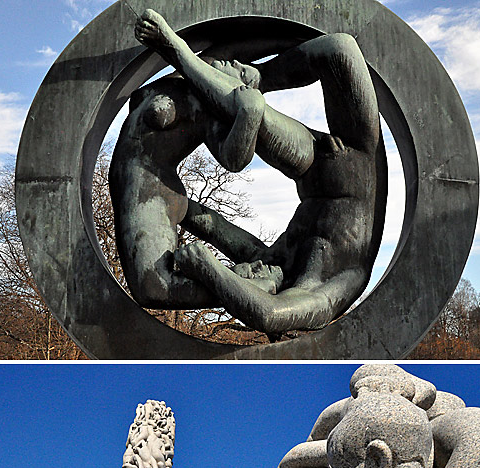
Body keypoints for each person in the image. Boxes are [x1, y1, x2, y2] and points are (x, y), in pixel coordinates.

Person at [110, 9, 382, 335]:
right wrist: (209, 269)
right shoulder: (324, 292)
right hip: (353, 165)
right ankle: (247, 74)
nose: (251, 268)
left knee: (251, 111)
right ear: (297, 330)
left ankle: (190, 59)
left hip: (318, 173)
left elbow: (212, 225)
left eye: (246, 273)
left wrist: (161, 195)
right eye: (253, 277)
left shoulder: (271, 262)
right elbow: (269, 315)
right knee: (340, 49)